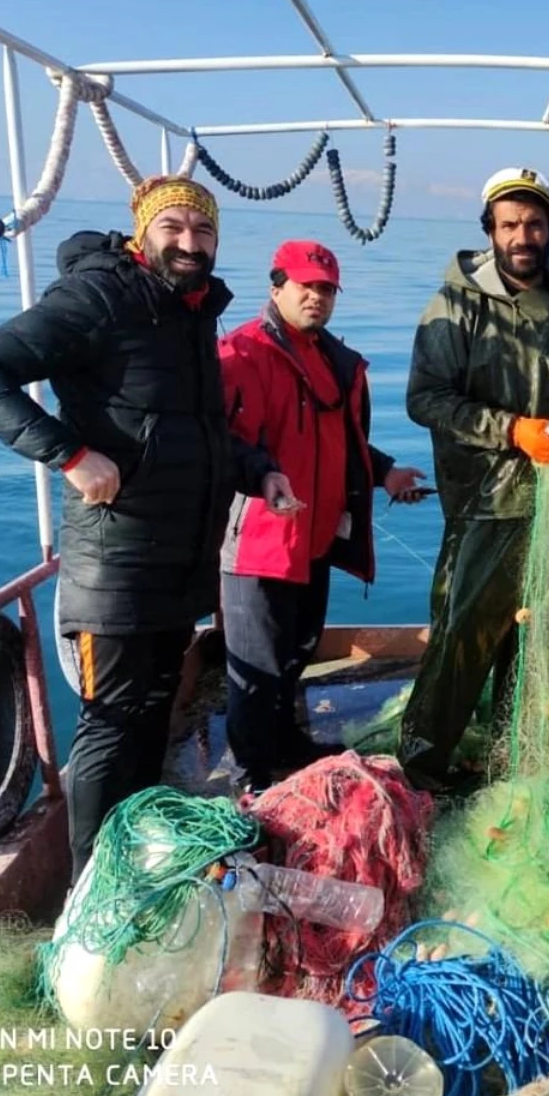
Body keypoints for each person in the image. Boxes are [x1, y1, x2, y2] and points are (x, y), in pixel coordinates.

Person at [0, 175, 283, 880]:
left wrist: (258, 470)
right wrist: (70, 456)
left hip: (178, 561)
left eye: (202, 232)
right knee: (111, 724)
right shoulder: (101, 297)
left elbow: (194, 432)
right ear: (143, 232)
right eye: (173, 228)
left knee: (150, 714)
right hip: (114, 564)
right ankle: (90, 891)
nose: (189, 243)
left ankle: (134, 862)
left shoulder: (192, 312)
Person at [399, 167, 549, 794]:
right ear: (489, 231)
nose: (521, 235)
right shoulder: (457, 303)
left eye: (533, 223)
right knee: (462, 637)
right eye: (508, 224)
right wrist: (510, 430)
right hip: (483, 503)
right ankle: (422, 767)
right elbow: (426, 399)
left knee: (531, 640)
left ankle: (510, 755)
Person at [217, 241, 426, 792]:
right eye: (306, 285)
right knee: (257, 670)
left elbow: (348, 442)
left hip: (315, 541)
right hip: (259, 543)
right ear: (276, 286)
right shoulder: (238, 354)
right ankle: (250, 782)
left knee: (296, 655)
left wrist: (386, 475)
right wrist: (262, 478)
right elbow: (220, 446)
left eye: (327, 288)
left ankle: (285, 743)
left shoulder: (334, 360)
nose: (317, 297)